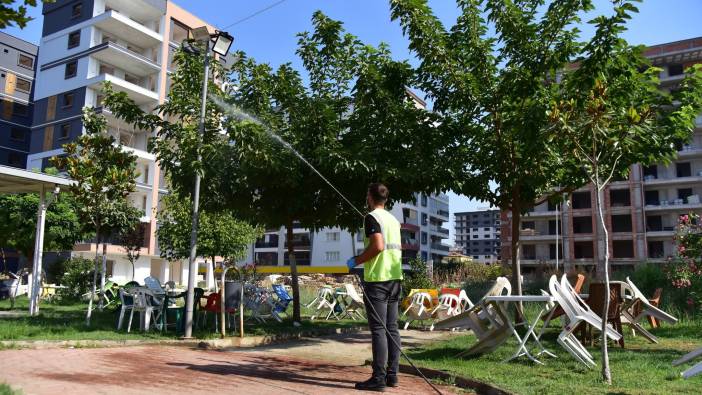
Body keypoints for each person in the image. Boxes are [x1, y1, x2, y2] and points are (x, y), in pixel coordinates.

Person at [347, 182, 403, 392]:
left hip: (378, 280)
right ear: (385, 199)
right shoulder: (393, 219)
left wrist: (357, 260)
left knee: (379, 330)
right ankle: (392, 376)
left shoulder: (372, 217)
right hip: (395, 278)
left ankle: (378, 379)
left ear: (370, 197)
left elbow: (378, 246)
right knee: (392, 328)